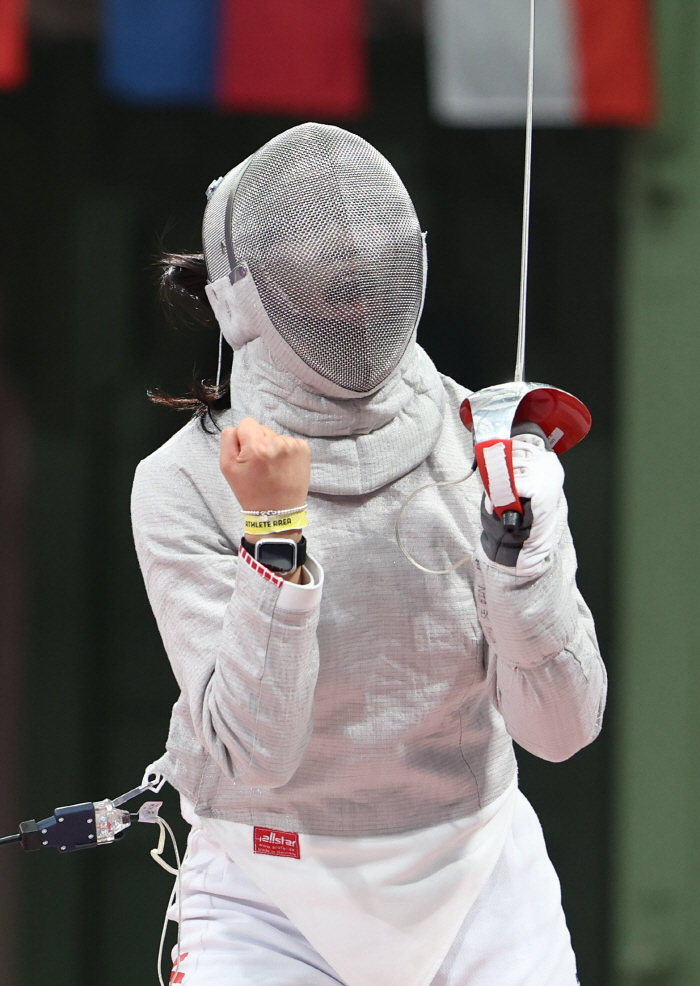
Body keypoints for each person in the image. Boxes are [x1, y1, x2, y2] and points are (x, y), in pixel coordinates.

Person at [131, 122, 606, 986]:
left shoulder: (485, 448)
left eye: (367, 271)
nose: (352, 292)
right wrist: (273, 537)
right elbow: (254, 757)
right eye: (323, 279)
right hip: (266, 887)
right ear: (244, 301)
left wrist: (526, 563)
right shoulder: (187, 484)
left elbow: (562, 731)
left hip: (475, 870)